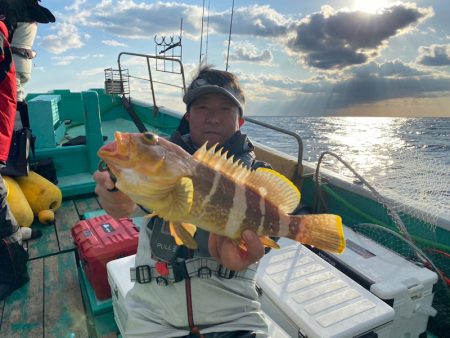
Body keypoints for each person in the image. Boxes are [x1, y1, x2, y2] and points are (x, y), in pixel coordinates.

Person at [94, 66, 271, 337]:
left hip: (235, 318)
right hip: (153, 319)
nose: (212, 118)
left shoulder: (256, 176)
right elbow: (127, 202)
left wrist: (252, 249)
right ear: (188, 116)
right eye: (201, 107)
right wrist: (116, 195)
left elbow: (272, 228)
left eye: (225, 108)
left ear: (240, 121)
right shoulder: (158, 163)